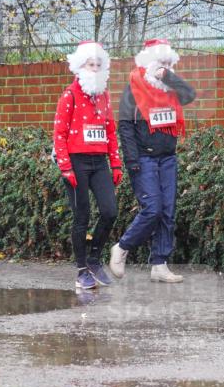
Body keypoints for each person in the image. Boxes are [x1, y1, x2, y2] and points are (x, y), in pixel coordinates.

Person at [109, 38, 196, 283]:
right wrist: (132, 161)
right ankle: (122, 247)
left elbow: (190, 94)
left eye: (169, 64)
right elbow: (125, 127)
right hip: (144, 159)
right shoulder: (134, 87)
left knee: (167, 211)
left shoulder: (169, 89)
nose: (165, 68)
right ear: (149, 62)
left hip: (167, 157)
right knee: (153, 209)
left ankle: (160, 263)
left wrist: (168, 77)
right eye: (162, 63)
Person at [54, 40, 122, 290]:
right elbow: (59, 133)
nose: (94, 68)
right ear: (79, 67)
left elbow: (110, 130)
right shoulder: (69, 95)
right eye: (89, 64)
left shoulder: (103, 96)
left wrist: (116, 164)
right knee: (81, 216)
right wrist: (65, 167)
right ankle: (82, 269)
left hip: (99, 162)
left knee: (109, 211)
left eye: (98, 64)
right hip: (76, 163)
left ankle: (94, 259)